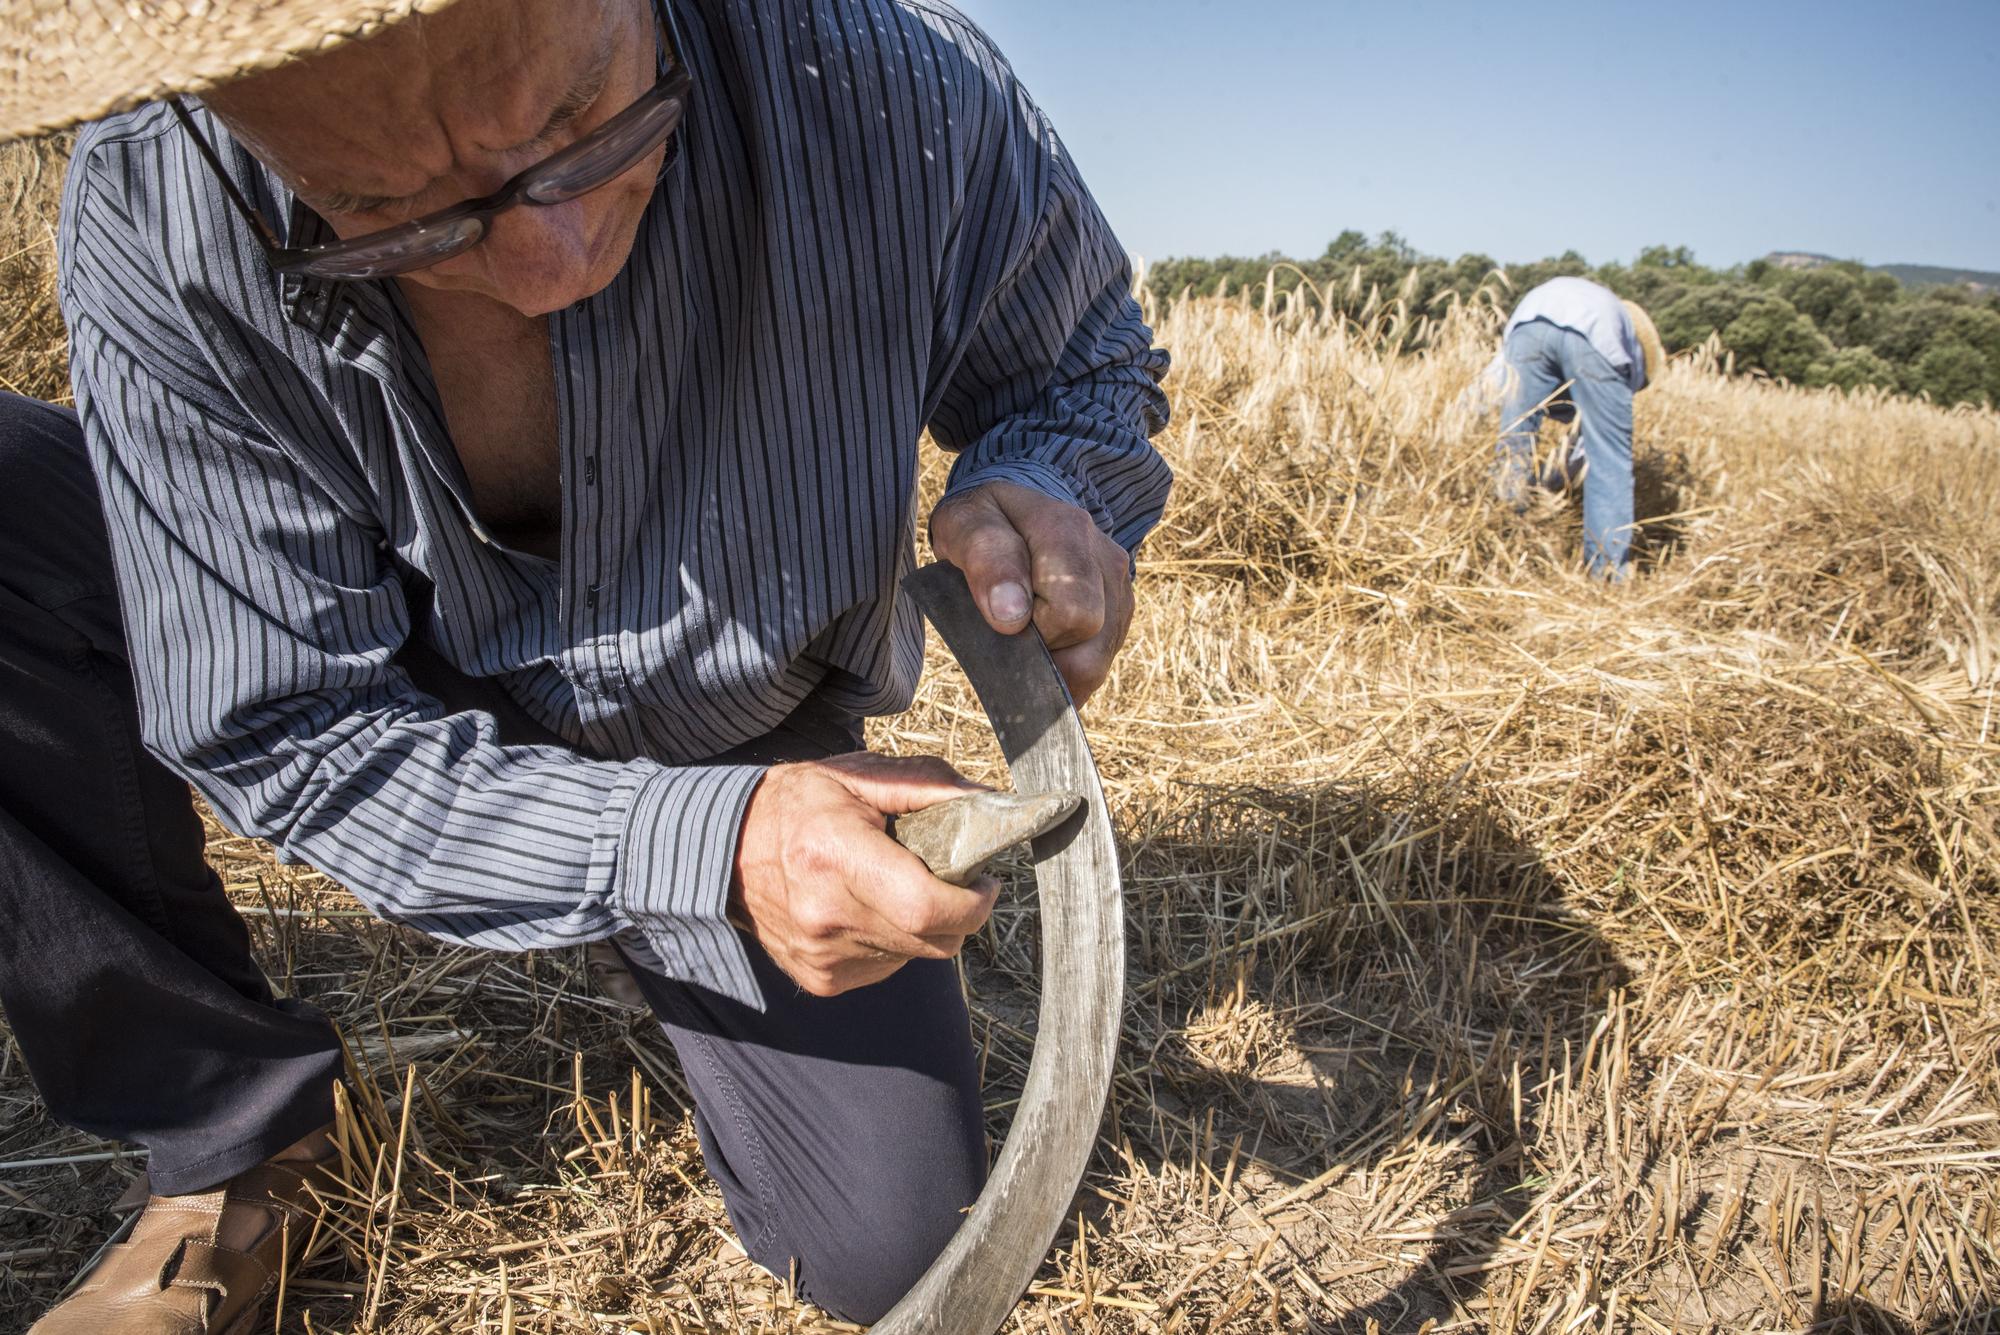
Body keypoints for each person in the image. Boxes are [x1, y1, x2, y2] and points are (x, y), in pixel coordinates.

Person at [0, 0, 1172, 1328]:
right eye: (391, 211)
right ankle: (232, 1142)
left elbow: (1079, 368)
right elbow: (291, 717)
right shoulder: (160, 201)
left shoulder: (889, 81)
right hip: (382, 659)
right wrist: (701, 849)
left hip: (735, 721)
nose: (545, 263)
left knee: (892, 1248)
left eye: (578, 125)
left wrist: (1045, 486)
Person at [1489, 276, 1663, 577]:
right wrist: (1559, 483)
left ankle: (1500, 551)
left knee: (1514, 444)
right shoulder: (1617, 338)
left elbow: (1492, 383)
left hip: (1528, 319)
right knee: (1610, 460)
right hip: (1595, 335)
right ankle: (1606, 575)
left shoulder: (1572, 296)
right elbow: (1594, 449)